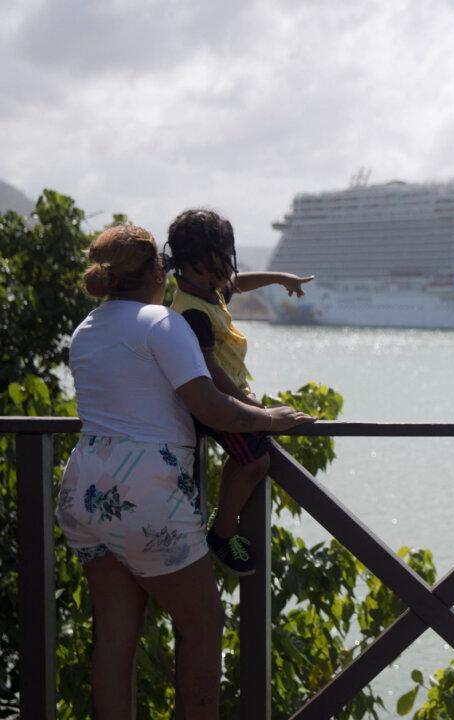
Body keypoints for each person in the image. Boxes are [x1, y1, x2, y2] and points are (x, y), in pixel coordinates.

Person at [56, 224, 314, 719]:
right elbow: (210, 406)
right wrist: (269, 418)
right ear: (156, 270)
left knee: (114, 635)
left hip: (84, 489)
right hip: (145, 492)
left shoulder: (87, 328)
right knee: (201, 625)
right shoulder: (161, 323)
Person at [164, 208, 314, 575]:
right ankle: (222, 529)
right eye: (216, 267)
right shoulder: (192, 311)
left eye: (224, 267)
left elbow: (238, 284)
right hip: (214, 399)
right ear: (191, 264)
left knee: (250, 452)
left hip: (228, 394)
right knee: (256, 459)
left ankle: (221, 517)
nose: (224, 277)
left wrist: (280, 277)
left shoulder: (204, 289)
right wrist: (248, 406)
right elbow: (209, 371)